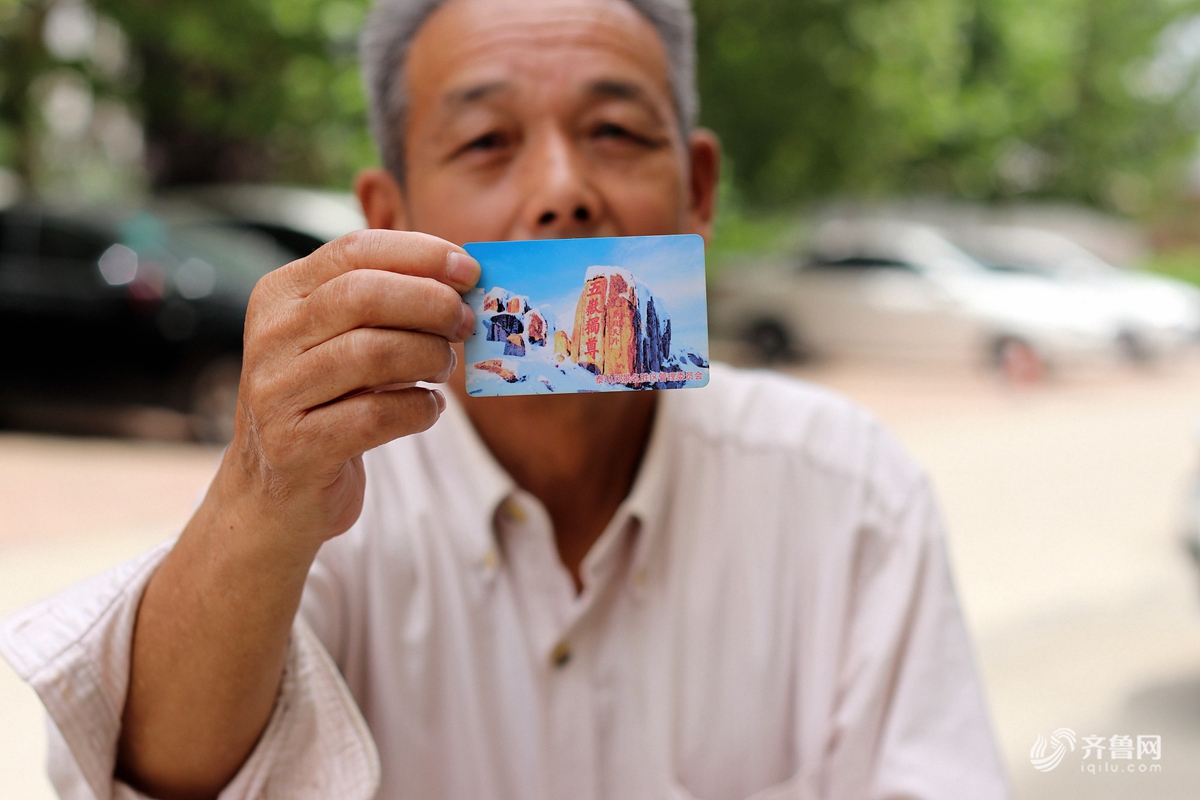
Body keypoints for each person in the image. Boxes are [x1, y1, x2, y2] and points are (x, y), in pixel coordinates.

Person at [0, 0, 1010, 798]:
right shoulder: (330, 502)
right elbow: (156, 776)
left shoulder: (848, 491)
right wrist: (260, 493)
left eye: (614, 129)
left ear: (696, 192)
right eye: (486, 142)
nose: (563, 188)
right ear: (390, 215)